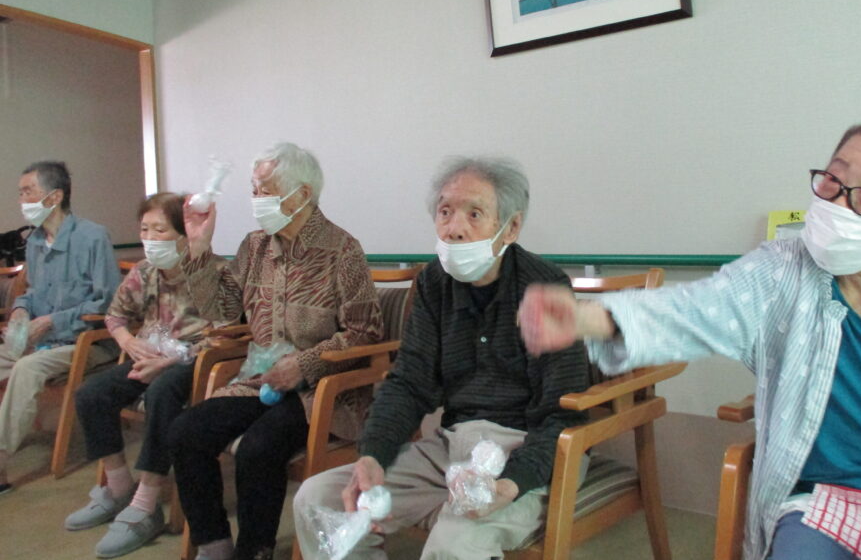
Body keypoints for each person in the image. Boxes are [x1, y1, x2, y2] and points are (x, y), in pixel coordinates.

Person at [519, 121, 861, 560]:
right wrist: (590, 318)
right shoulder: (782, 272)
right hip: (823, 502)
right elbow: (697, 309)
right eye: (833, 180)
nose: (837, 203)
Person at [293, 156, 591, 560]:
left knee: (454, 546)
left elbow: (564, 412)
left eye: (474, 214)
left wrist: (512, 482)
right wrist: (372, 455)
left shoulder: (545, 285)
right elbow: (409, 383)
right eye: (445, 212)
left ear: (511, 227)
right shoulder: (434, 283)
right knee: (318, 497)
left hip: (529, 452)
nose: (454, 229)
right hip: (452, 447)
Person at [169, 143, 382, 560]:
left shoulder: (342, 250)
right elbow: (224, 311)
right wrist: (199, 249)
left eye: (265, 189)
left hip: (320, 392)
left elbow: (365, 332)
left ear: (301, 195)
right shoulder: (255, 247)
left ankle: (255, 550)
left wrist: (303, 365)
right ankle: (214, 545)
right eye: (253, 188)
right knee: (186, 432)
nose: (256, 199)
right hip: (259, 382)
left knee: (259, 448)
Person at [64, 192, 243, 557]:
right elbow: (114, 315)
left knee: (163, 391)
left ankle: (146, 503)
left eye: (160, 229)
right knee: (91, 394)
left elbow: (227, 333)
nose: (149, 238)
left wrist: (173, 357)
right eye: (144, 229)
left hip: (199, 360)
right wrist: (128, 341)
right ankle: (118, 488)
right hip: (148, 356)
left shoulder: (216, 271)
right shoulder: (145, 272)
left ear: (184, 233)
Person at [0, 161, 120, 493]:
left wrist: (54, 320)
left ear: (54, 197)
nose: (22, 200)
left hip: (86, 342)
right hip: (43, 340)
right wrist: (21, 312)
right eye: (20, 192)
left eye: (28, 192)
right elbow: (33, 292)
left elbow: (107, 303)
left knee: (26, 368)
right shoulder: (36, 241)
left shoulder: (92, 235)